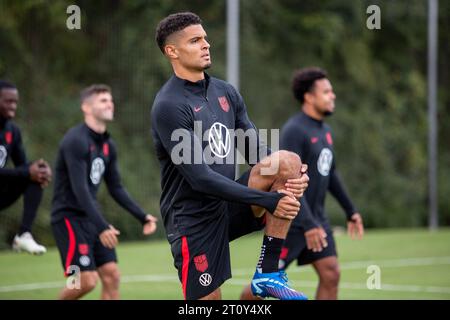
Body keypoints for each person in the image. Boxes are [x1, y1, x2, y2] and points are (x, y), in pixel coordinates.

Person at [151, 12, 310, 300]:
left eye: (205, 38)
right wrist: (268, 200)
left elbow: (255, 151)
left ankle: (268, 273)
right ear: (171, 51)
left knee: (288, 161)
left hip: (228, 207)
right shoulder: (169, 105)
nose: (206, 45)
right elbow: (200, 179)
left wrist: (294, 176)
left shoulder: (225, 92)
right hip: (192, 221)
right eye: (195, 40)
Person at [241, 67, 364, 300]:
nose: (333, 96)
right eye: (326, 92)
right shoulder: (294, 130)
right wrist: (308, 224)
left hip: (317, 220)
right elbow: (288, 180)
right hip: (293, 222)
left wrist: (350, 211)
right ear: (309, 97)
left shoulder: (325, 131)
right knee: (262, 285)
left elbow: (331, 173)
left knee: (331, 274)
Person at [51, 84, 158, 300]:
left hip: (92, 218)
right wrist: (102, 227)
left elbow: (116, 187)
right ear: (86, 108)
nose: (110, 103)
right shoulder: (76, 140)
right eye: (103, 100)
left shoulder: (108, 144)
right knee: (82, 281)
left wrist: (142, 216)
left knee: (112, 275)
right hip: (69, 220)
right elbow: (80, 190)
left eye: (110, 100)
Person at [0, 80, 52, 255]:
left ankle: (24, 234)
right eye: (8, 101)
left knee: (35, 173)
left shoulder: (12, 131)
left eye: (15, 102)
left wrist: (40, 171)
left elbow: (24, 168)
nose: (13, 105)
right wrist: (28, 171)